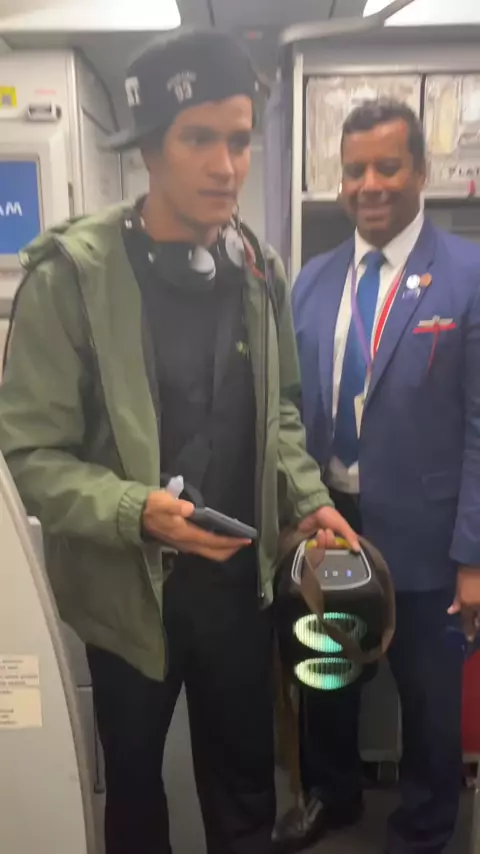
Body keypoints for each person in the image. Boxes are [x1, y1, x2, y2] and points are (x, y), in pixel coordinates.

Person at [0, 30, 357, 854]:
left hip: (238, 590)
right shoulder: (72, 278)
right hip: (130, 599)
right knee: (134, 790)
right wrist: (134, 510)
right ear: (149, 150)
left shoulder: (259, 269)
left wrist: (308, 500)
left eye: (239, 140)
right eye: (199, 139)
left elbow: (281, 416)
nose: (226, 166)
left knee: (244, 789)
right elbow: (29, 458)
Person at [274, 98, 480, 854]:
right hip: (333, 523)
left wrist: (473, 558)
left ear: (421, 171)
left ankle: (424, 828)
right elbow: (289, 406)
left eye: (387, 166)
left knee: (429, 698)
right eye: (355, 169)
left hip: (430, 537)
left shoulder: (468, 275)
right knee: (329, 671)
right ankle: (333, 794)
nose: (369, 184)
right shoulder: (313, 281)